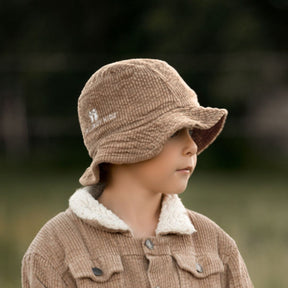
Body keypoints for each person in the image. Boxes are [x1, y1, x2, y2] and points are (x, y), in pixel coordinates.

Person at [22, 59, 253, 287]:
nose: (191, 146)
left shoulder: (215, 244)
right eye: (173, 133)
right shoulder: (53, 251)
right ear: (122, 148)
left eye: (190, 131)